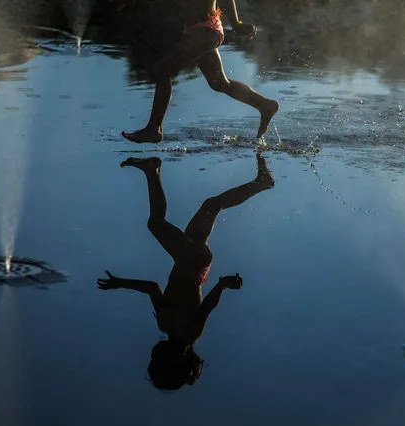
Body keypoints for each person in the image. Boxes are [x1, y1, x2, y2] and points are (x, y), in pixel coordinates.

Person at [97, 150, 274, 390]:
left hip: (194, 261)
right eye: (157, 362)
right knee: (156, 224)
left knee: (212, 205)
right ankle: (152, 170)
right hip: (190, 261)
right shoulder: (185, 331)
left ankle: (261, 183)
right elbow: (203, 305)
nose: (154, 356)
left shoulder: (172, 328)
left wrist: (121, 283)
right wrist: (222, 285)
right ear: (174, 362)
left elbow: (154, 289)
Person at [121, 0, 280, 143]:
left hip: (204, 31)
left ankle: (154, 130)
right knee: (219, 83)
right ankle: (264, 104)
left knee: (163, 72)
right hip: (202, 29)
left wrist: (236, 23)